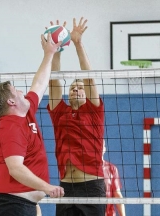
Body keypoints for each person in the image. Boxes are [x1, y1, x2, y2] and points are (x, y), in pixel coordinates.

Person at [0, 31, 64, 216]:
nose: (22, 91)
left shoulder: (26, 112)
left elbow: (40, 83)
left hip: (20, 205)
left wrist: (49, 53)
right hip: (9, 206)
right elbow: (16, 169)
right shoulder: (11, 128)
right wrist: (47, 187)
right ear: (12, 102)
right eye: (16, 90)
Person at [47, 17, 106, 216]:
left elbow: (89, 76)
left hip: (92, 187)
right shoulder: (59, 112)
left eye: (80, 88)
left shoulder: (94, 111)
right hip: (65, 188)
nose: (76, 90)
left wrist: (78, 44)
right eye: (73, 88)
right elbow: (54, 82)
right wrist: (55, 50)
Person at [103, 141, 126, 216]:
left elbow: (117, 194)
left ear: (104, 149)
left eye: (101, 145)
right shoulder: (84, 169)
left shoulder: (111, 169)